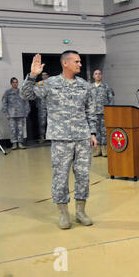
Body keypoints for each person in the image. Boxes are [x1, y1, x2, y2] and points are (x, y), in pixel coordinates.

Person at [20, 51, 97, 230]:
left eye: (80, 61)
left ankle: (80, 211)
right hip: (61, 139)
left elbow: (90, 111)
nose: (80, 64)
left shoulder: (84, 86)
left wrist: (92, 133)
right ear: (65, 63)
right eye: (76, 61)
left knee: (83, 176)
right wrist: (32, 75)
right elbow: (26, 95)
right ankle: (63, 213)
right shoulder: (50, 83)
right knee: (60, 177)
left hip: (82, 138)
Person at [2, 77, 30, 150]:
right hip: (11, 114)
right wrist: (6, 114)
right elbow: (4, 103)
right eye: (13, 82)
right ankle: (14, 144)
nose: (15, 84)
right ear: (11, 83)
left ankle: (20, 143)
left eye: (16, 82)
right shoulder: (7, 92)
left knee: (20, 129)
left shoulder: (22, 92)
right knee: (13, 129)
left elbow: (26, 103)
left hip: (21, 114)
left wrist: (26, 112)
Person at [91, 69, 114, 157]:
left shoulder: (106, 87)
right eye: (96, 74)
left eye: (99, 74)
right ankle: (97, 150)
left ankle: (105, 150)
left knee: (104, 132)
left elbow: (111, 100)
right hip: (94, 113)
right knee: (95, 132)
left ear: (101, 76)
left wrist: (111, 111)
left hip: (104, 113)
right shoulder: (90, 88)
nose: (98, 75)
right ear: (93, 76)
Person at [35, 71, 49, 143]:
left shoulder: (51, 83)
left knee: (51, 122)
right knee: (42, 122)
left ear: (48, 76)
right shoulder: (38, 84)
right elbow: (37, 94)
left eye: (45, 75)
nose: (44, 76)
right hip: (42, 106)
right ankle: (42, 137)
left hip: (51, 106)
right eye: (43, 75)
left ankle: (51, 137)